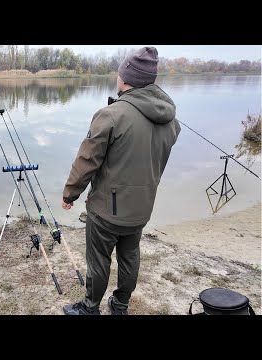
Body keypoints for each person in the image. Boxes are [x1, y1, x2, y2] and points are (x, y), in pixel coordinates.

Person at [61, 47, 181, 315]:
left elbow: (86, 161)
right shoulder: (171, 121)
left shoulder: (111, 115)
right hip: (141, 208)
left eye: (119, 73)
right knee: (130, 256)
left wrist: (70, 193)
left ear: (125, 78)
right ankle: (120, 306)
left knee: (99, 261)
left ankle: (90, 308)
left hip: (107, 210)